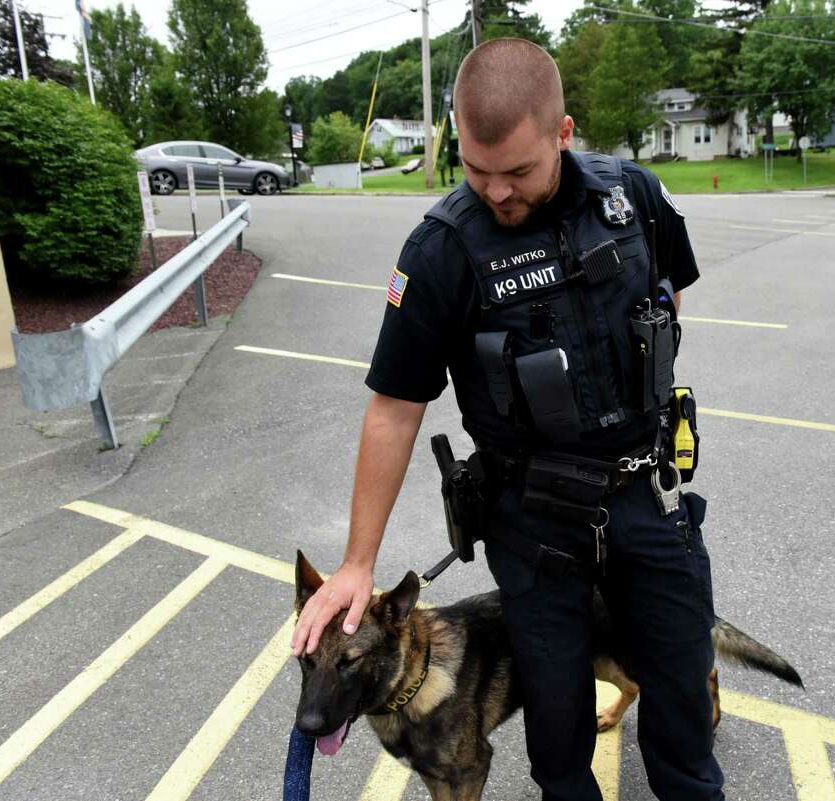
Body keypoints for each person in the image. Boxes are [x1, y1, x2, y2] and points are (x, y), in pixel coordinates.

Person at [292, 38, 722, 801]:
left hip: (646, 500)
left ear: (564, 133)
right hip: (535, 523)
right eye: (475, 168)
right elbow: (394, 410)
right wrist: (359, 561)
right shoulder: (439, 252)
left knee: (682, 700)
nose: (495, 190)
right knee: (557, 733)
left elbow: (666, 302)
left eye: (518, 170)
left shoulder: (633, 198)